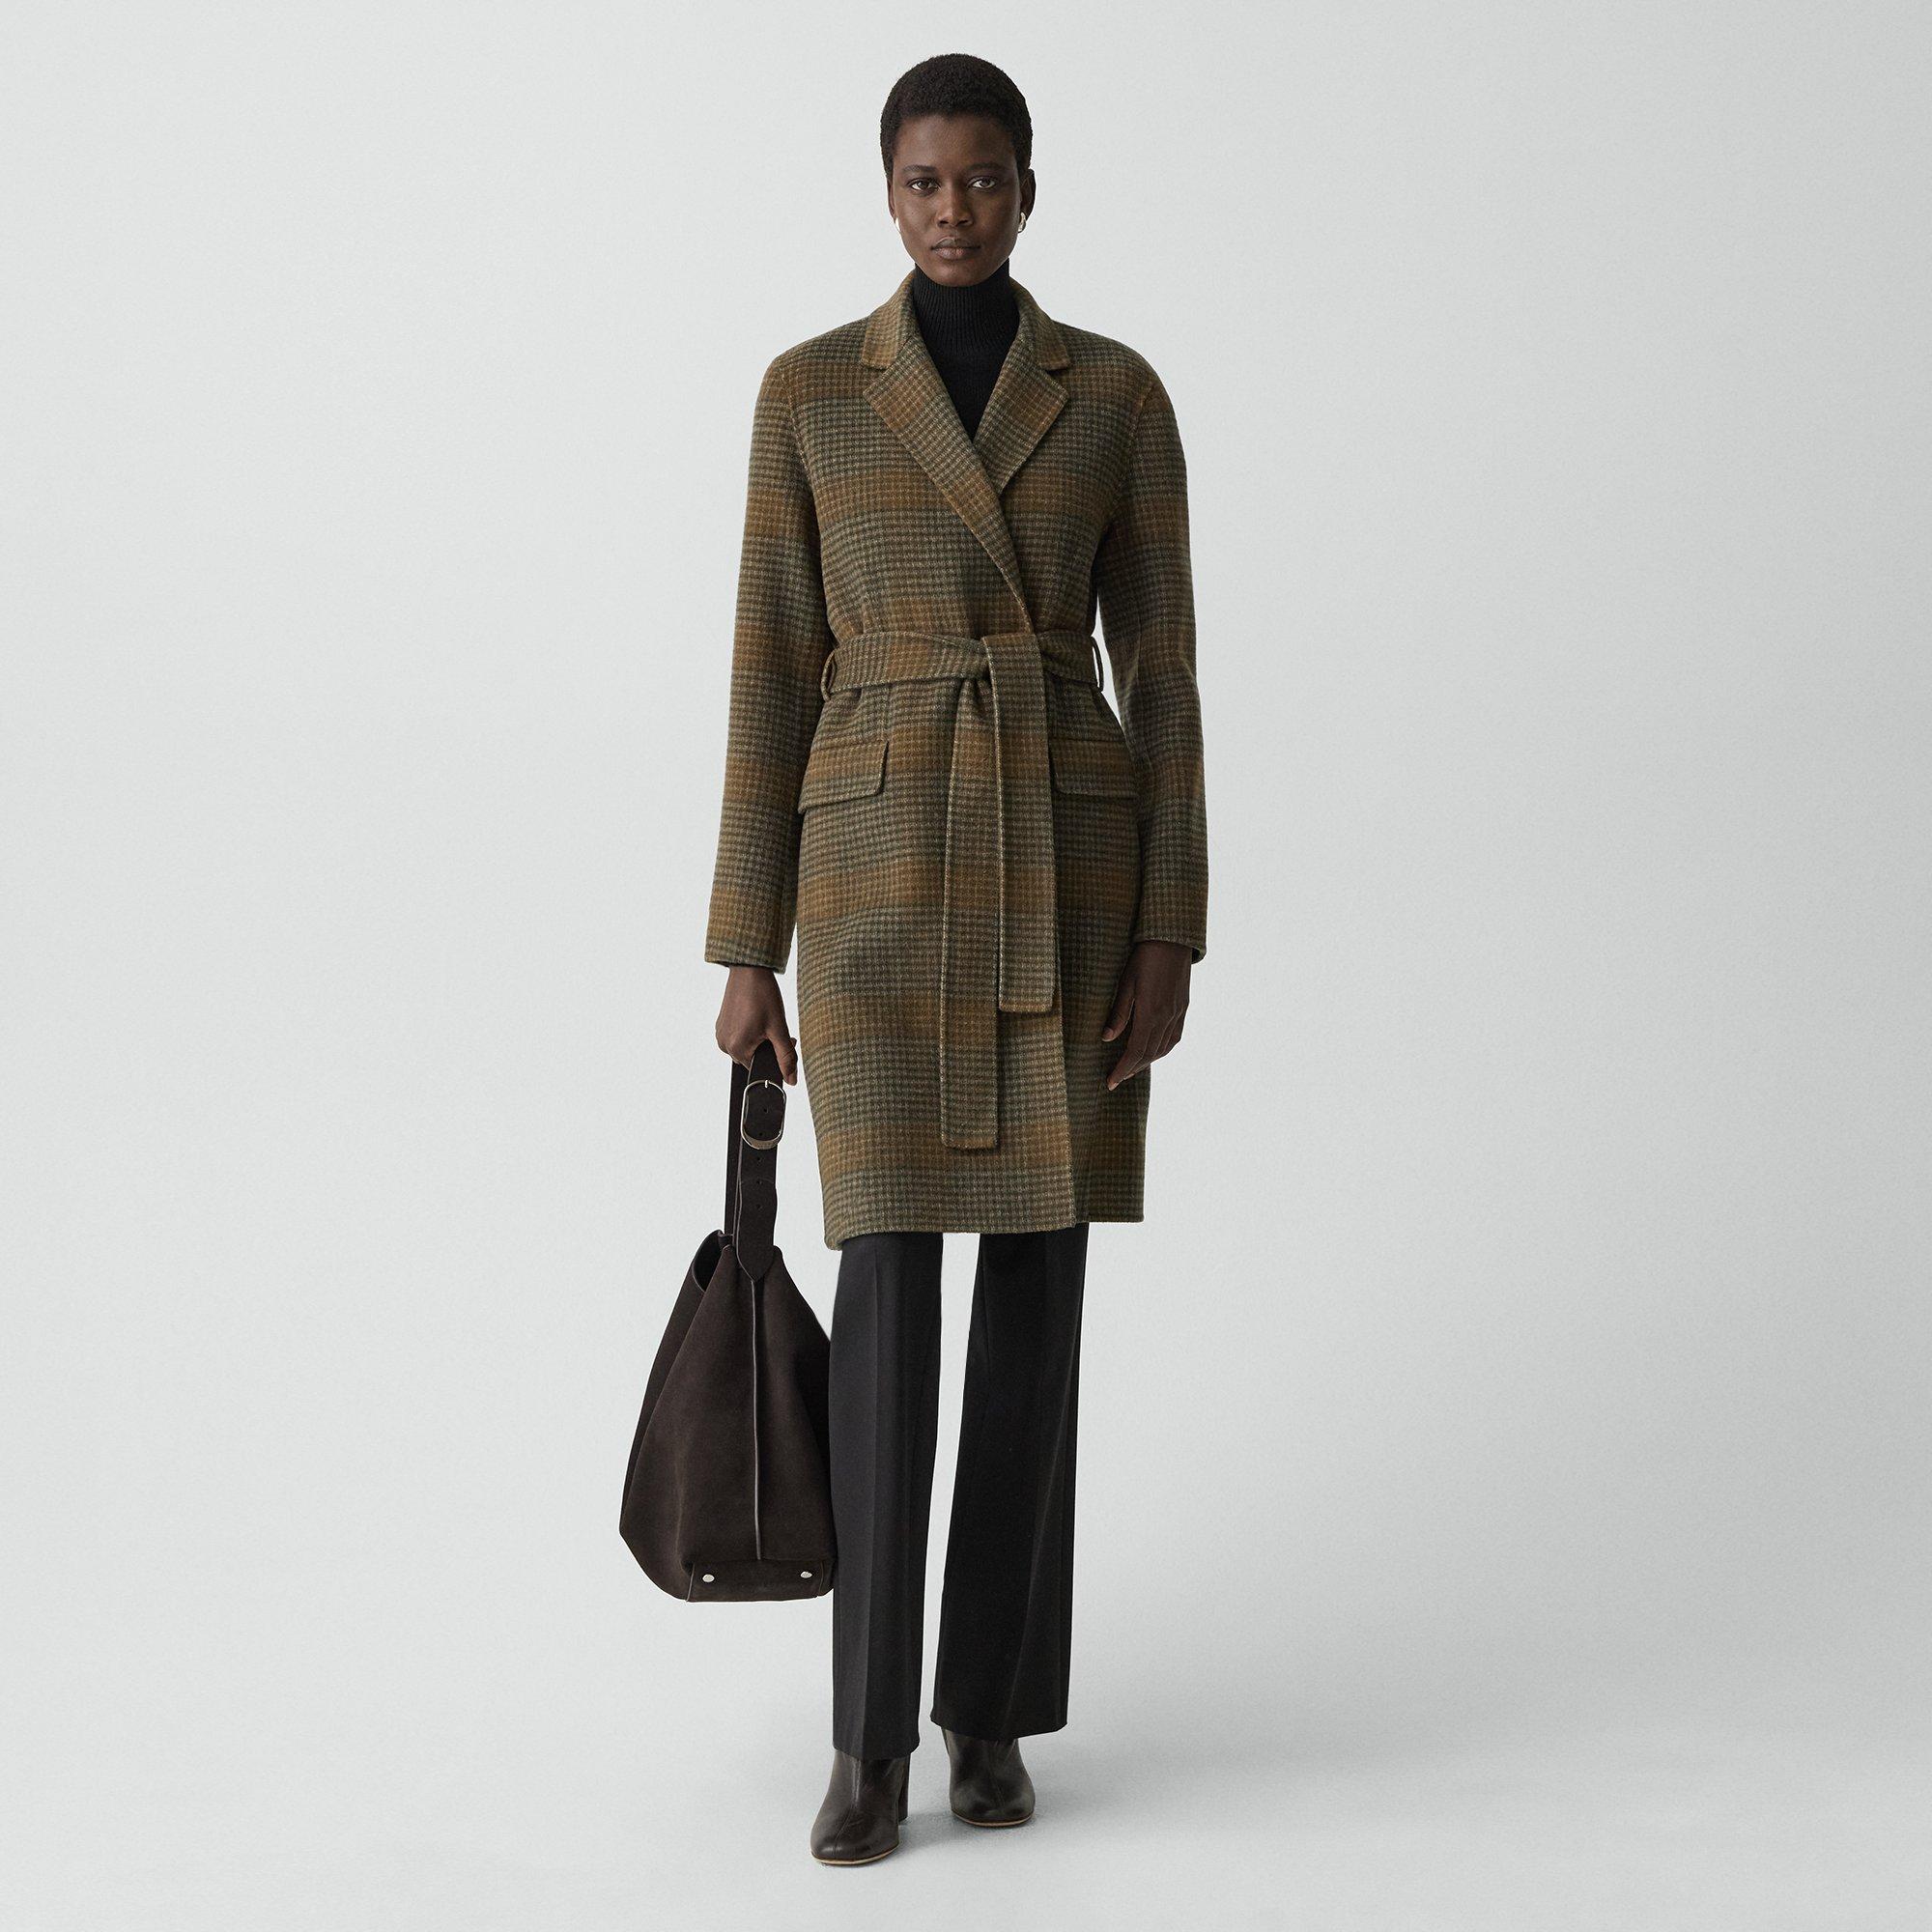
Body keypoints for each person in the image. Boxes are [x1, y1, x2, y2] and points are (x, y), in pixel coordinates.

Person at [703, 52, 1208, 1864]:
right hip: (871, 882)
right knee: (888, 1292)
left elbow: (1166, 673)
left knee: (1038, 1298)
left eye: (983, 179)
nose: (954, 210)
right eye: (924, 181)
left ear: (1028, 188)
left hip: (1062, 864)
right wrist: (746, 944)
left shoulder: (1115, 393)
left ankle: (987, 1714)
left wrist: (1172, 922)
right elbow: (770, 666)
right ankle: (867, 1743)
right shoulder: (811, 393)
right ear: (888, 191)